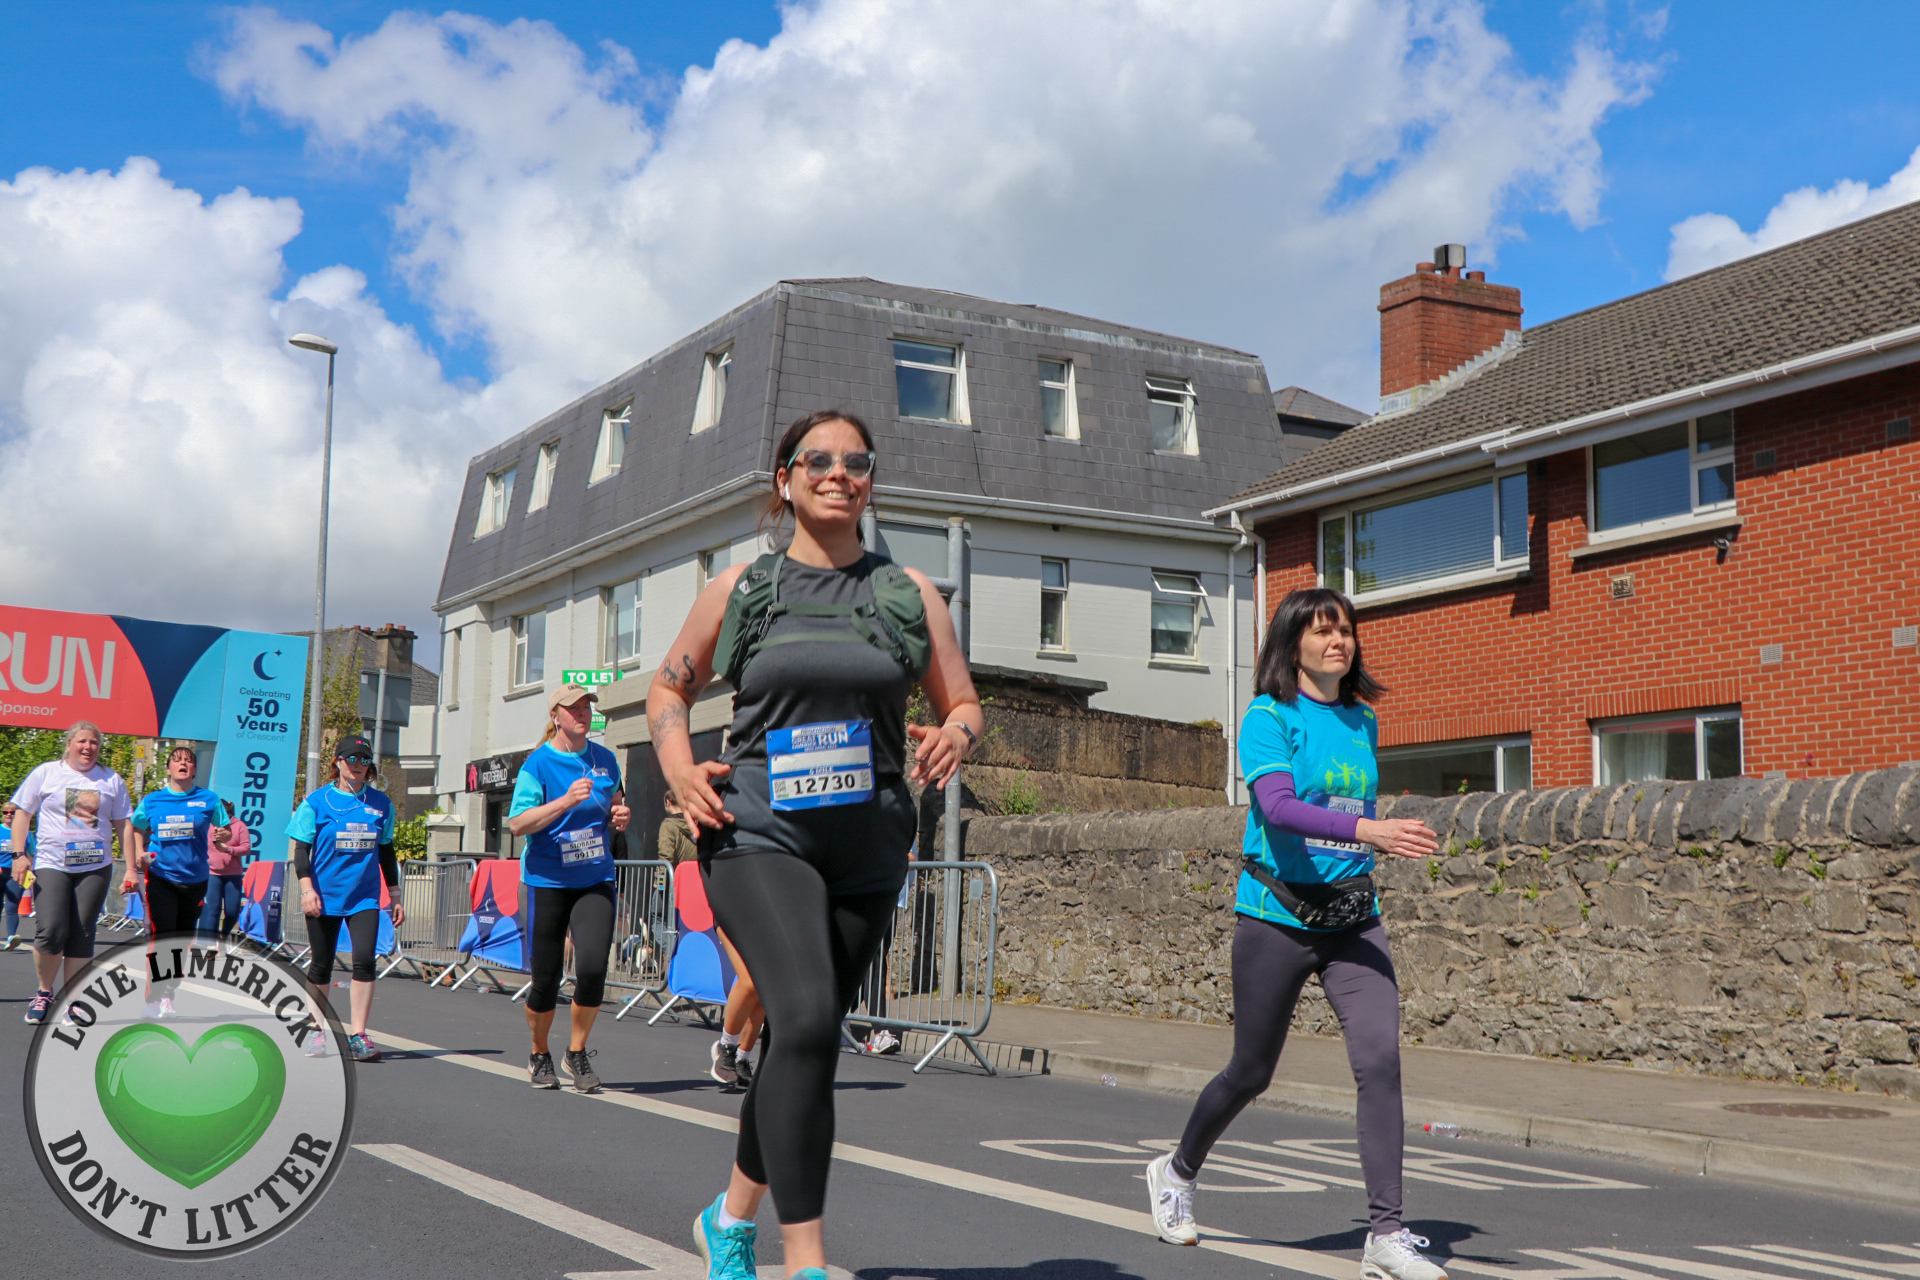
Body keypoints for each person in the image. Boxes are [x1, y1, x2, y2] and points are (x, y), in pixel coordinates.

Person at [651, 408, 983, 1280]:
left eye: (856, 461)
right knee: (799, 1018)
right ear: (786, 479)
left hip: (868, 843)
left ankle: (729, 1220)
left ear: (870, 481)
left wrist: (958, 732)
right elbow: (667, 691)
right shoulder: (742, 589)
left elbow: (962, 701)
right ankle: (806, 1262)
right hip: (759, 832)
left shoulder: (909, 593)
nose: (839, 473)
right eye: (819, 460)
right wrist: (681, 770)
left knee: (806, 1040)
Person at [1144, 588, 1444, 1280]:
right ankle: (1177, 1171)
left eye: (1346, 631)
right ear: (1293, 643)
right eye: (1321, 631)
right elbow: (1277, 809)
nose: (1338, 641)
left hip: (1352, 920)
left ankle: (1385, 1235)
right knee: (1251, 1071)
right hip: (1276, 916)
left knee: (1381, 1062)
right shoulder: (1268, 717)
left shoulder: (1362, 720)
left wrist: (1364, 838)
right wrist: (1370, 830)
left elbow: (1345, 802)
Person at [508, 683, 631, 1093]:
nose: (581, 713)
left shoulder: (605, 759)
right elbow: (517, 824)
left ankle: (576, 1051)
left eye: (586, 707)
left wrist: (620, 815)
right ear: (555, 716)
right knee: (546, 978)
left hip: (594, 876)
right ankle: (539, 1052)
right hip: (546, 881)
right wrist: (564, 801)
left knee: (593, 968)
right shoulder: (538, 765)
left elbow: (615, 803)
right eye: (572, 707)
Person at [288, 734, 404, 1062]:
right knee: (322, 964)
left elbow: (386, 851)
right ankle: (316, 1031)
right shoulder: (316, 802)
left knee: (365, 959)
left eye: (364, 760)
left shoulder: (381, 804)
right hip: (323, 896)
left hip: (364, 897)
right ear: (337, 762)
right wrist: (307, 890)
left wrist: (395, 894)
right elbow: (301, 850)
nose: (357, 765)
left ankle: (358, 1035)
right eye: (351, 759)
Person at [8, 722, 134, 1025]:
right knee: (51, 930)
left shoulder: (111, 780)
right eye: (82, 741)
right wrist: (19, 855)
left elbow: (123, 824)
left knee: (83, 932)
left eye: (94, 742)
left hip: (94, 866)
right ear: (69, 745)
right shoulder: (46, 773)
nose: (88, 747)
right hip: (52, 863)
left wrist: (131, 868)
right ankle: (44, 991)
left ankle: (74, 1001)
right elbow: (23, 813)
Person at [127, 744, 233, 1015]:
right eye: (177, 760)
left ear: (195, 769)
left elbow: (225, 830)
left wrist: (223, 836)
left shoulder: (209, 799)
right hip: (161, 876)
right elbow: (136, 826)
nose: (183, 764)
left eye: (188, 761)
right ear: (169, 768)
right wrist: (139, 852)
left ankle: (169, 993)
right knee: (163, 937)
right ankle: (154, 998)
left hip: (195, 879)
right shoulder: (153, 800)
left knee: (181, 940)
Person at [198, 804, 252, 943]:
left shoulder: (239, 826)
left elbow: (246, 848)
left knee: (232, 912)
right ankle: (211, 943)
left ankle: (223, 936)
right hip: (213, 874)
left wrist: (228, 849)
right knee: (213, 910)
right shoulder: (209, 825)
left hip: (233, 875)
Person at [1, 800, 34, 949]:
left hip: (16, 873)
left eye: (12, 813)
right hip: (1, 872)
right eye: (6, 812)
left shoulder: (26, 832)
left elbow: (33, 852)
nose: (9, 815)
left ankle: (11, 938)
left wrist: (32, 869)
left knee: (12, 906)